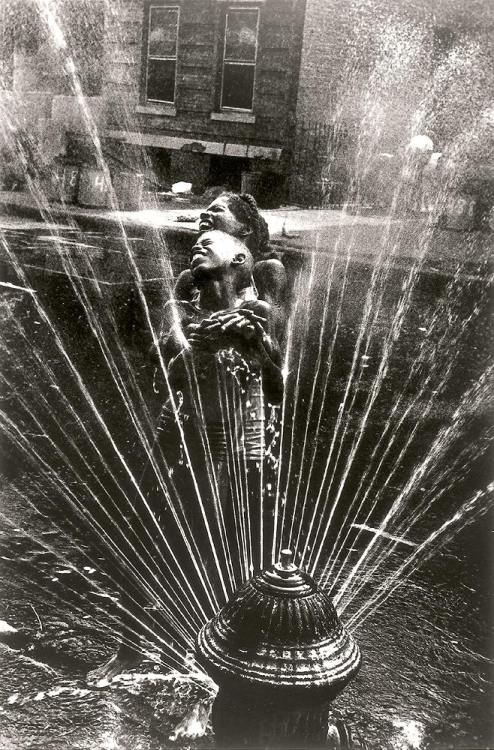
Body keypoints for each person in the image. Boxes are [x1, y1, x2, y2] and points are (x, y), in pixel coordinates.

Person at [88, 231, 282, 680]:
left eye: (211, 235)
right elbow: (163, 370)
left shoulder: (257, 311)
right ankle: (129, 646)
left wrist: (257, 343)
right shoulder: (186, 307)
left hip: (230, 452)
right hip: (179, 440)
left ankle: (207, 669)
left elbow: (276, 389)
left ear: (241, 255)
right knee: (140, 541)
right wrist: (197, 346)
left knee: (213, 555)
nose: (199, 237)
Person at [174, 192, 287, 341]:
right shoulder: (189, 276)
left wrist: (248, 325)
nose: (204, 214)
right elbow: (169, 330)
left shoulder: (266, 269)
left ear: (245, 229)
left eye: (217, 210)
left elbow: (274, 327)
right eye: (206, 211)